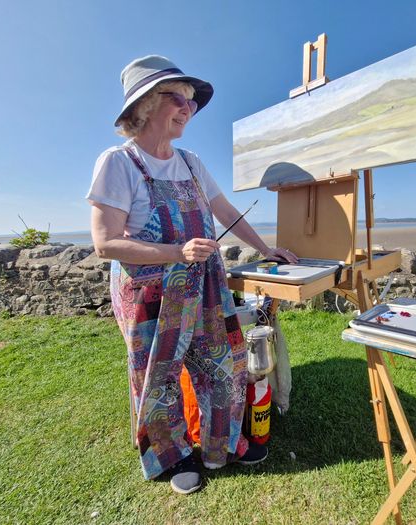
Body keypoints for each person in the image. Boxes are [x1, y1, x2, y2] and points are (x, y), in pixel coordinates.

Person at [86, 55, 298, 494]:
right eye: (178, 98)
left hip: (205, 285)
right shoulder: (118, 163)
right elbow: (105, 243)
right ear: (145, 105)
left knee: (226, 363)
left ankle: (223, 445)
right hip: (150, 293)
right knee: (159, 376)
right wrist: (176, 253)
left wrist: (265, 249)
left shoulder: (191, 162)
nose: (188, 108)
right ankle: (173, 456)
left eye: (192, 102)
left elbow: (225, 211)